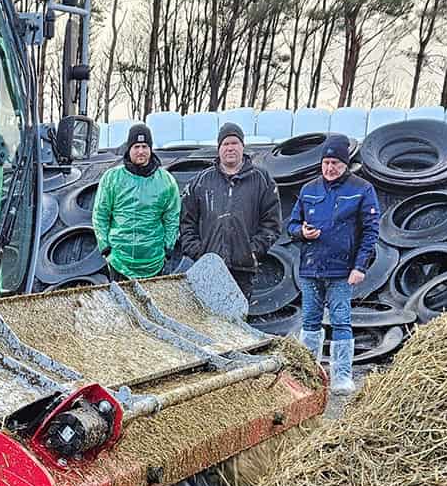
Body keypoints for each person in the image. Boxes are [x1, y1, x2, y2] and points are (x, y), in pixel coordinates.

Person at [286, 133, 380, 393]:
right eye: (326, 163)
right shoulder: (309, 189)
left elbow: (371, 231)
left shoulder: (362, 189)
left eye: (335, 164)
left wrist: (360, 266)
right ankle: (308, 375)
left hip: (342, 270)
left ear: (345, 164)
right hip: (311, 268)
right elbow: (291, 225)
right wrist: (301, 232)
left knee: (341, 320)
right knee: (310, 321)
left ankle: (342, 376)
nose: (329, 168)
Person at [175, 122, 282, 296]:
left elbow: (272, 223)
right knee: (207, 313)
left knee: (239, 312)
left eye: (234, 143)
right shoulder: (201, 181)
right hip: (209, 269)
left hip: (243, 270)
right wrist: (199, 253)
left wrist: (252, 251)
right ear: (219, 148)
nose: (230, 148)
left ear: (242, 146)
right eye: (225, 144)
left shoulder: (262, 179)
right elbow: (186, 222)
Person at [93, 124, 181, 281]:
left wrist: (168, 247)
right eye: (136, 146)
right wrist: (105, 248)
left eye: (145, 146)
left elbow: (172, 217)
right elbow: (101, 214)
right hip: (119, 260)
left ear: (150, 149)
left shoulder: (166, 181)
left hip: (153, 260)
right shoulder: (112, 178)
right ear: (129, 149)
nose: (141, 151)